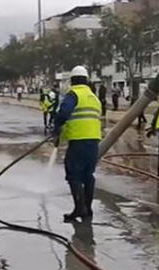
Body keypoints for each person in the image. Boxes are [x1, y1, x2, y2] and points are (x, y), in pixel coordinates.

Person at [53, 66, 102, 222]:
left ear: (72, 81)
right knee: (88, 175)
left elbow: (64, 113)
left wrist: (57, 127)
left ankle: (79, 208)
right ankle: (87, 208)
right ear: (86, 80)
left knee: (74, 175)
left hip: (78, 141)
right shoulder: (94, 97)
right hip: (94, 141)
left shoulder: (74, 94)